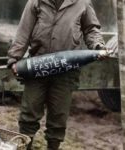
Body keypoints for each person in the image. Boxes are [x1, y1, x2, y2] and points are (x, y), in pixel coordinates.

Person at [7, 0, 107, 149]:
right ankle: (25, 146)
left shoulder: (83, 2)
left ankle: (53, 146)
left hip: (67, 70)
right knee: (29, 113)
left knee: (58, 117)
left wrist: (97, 46)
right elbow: (24, 30)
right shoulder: (36, 2)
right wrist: (14, 57)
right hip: (37, 66)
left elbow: (91, 29)